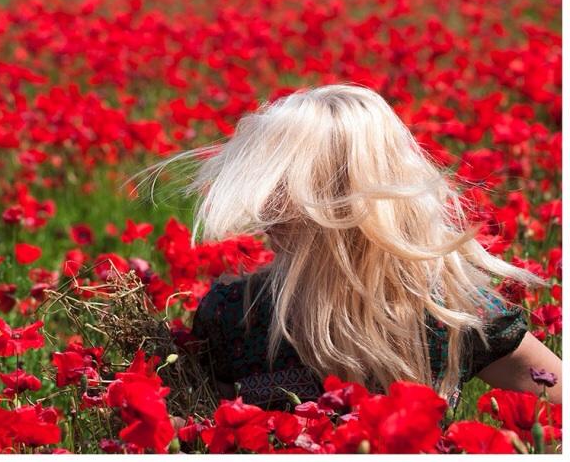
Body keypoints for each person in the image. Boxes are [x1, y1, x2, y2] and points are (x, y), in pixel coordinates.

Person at [138, 84, 561, 410]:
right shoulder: (234, 314)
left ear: (338, 203)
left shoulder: (451, 314)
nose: (262, 210)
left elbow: (555, 394)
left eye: (278, 189)